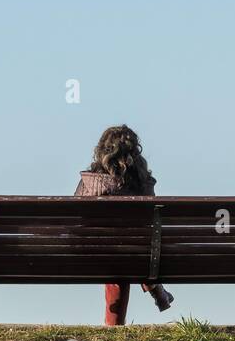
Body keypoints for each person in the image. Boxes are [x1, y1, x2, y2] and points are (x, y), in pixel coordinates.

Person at [75, 125, 175, 325]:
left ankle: (114, 326)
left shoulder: (89, 183)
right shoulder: (143, 185)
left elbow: (76, 221)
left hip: (93, 253)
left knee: (117, 258)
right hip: (135, 254)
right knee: (132, 252)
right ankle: (157, 289)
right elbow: (149, 228)